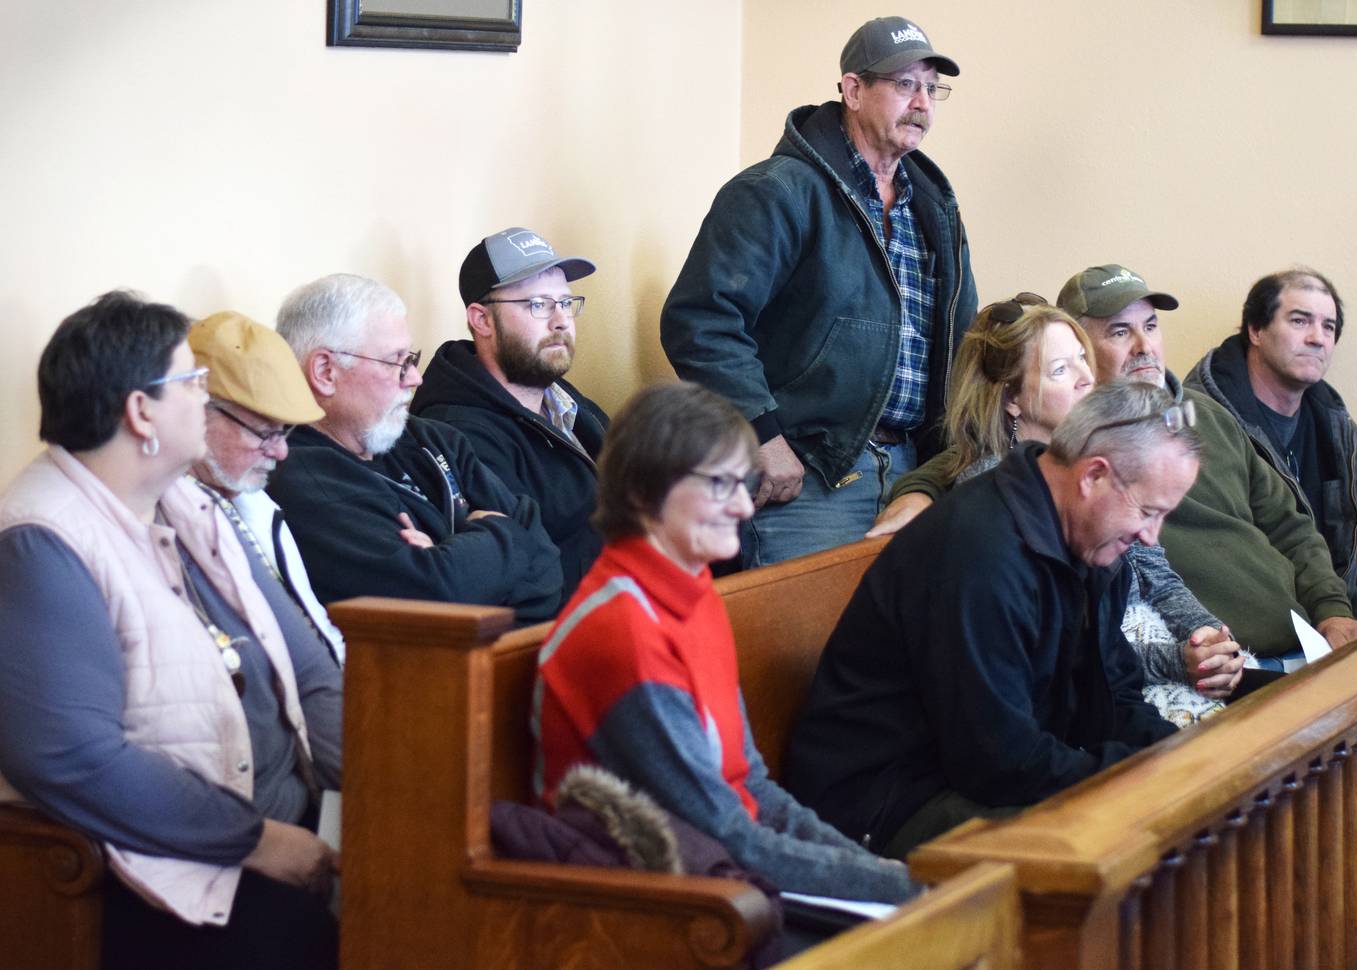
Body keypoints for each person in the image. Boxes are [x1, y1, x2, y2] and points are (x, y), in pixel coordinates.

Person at [0, 291, 341, 969]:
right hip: (172, 871)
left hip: (288, 822)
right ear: (140, 412)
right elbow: (75, 760)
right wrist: (260, 841)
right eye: (193, 381)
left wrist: (388, 788)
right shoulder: (40, 542)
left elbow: (308, 666)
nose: (204, 396)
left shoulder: (189, 501)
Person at [532, 381, 918, 904]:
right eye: (721, 485)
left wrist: (873, 870)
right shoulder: (622, 632)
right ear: (647, 493)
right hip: (656, 904)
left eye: (744, 483)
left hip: (724, 876)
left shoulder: (693, 591)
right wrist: (901, 886)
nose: (743, 505)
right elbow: (723, 832)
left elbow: (752, 786)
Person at [787, 382, 1193, 858]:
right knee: (1124, 842)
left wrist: (1183, 758)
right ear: (1093, 476)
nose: (1150, 536)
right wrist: (1139, 778)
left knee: (1183, 814)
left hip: (973, 776)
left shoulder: (1091, 545)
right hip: (885, 804)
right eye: (1148, 512)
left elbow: (1112, 693)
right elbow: (997, 761)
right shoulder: (979, 555)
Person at [661, 15, 977, 568]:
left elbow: (959, 340)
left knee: (900, 648)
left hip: (913, 472)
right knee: (802, 650)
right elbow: (700, 320)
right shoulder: (775, 192)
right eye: (906, 84)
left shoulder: (934, 208)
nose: (923, 103)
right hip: (808, 475)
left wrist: (949, 464)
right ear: (853, 90)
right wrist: (762, 436)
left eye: (932, 87)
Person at [868, 294, 1245, 721]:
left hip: (1144, 659)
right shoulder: (995, 496)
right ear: (1014, 399)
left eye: (1083, 358)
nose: (1087, 379)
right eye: (1062, 370)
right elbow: (1069, 649)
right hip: (1095, 690)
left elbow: (1157, 573)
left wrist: (1210, 638)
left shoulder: (1094, 457)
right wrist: (1180, 660)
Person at [1055, 264, 1357, 661]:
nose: (1143, 346)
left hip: (1306, 646)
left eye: (1150, 327)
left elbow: (1291, 528)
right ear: (1078, 351)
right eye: (1120, 332)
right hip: (1219, 670)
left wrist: (1332, 612)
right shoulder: (1074, 454)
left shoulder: (1207, 413)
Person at [266, 273, 563, 623]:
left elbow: (547, 568)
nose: (414, 378)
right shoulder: (301, 479)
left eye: (413, 359)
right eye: (397, 362)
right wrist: (500, 530)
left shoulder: (434, 439)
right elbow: (435, 597)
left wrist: (455, 556)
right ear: (325, 371)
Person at [1186, 268, 1357, 626]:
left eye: (1329, 327)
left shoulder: (1340, 430)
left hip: (1338, 626)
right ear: (1256, 331)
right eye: (1301, 321)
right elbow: (1223, 558)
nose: (1318, 338)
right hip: (1257, 635)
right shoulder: (1199, 421)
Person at [413, 227, 608, 602]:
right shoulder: (457, 432)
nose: (561, 321)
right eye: (538, 305)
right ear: (482, 320)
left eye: (566, 303)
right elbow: (527, 565)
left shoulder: (562, 397)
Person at [188, 310, 347, 664]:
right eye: (264, 431)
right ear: (197, 412)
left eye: (285, 430)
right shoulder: (163, 523)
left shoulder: (257, 502)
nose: (281, 450)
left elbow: (317, 633)